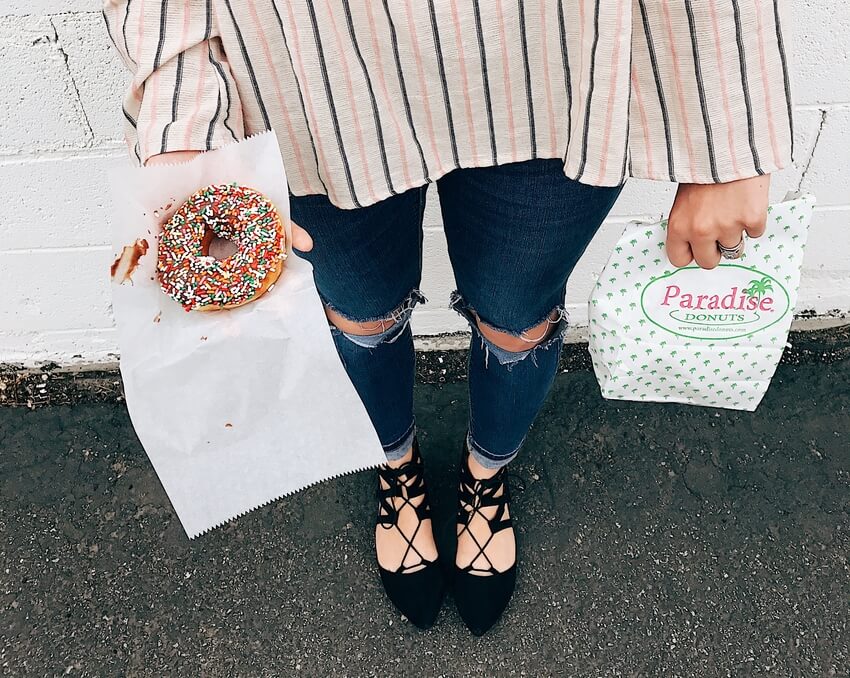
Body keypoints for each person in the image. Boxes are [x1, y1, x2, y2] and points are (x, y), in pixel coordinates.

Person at [105, 0, 793, 635]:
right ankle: (396, 467)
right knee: (360, 319)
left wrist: (730, 129)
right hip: (299, 63)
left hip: (553, 58)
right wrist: (183, 120)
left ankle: (484, 476)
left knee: (515, 324)